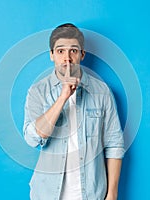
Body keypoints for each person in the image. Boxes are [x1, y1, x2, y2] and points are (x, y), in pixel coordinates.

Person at [23, 23, 125, 200]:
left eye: (73, 51)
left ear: (82, 54)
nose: (67, 58)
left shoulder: (102, 91)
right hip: (47, 193)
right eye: (60, 51)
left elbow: (114, 144)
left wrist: (112, 194)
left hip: (91, 193)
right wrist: (63, 97)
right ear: (52, 55)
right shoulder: (38, 91)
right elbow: (32, 138)